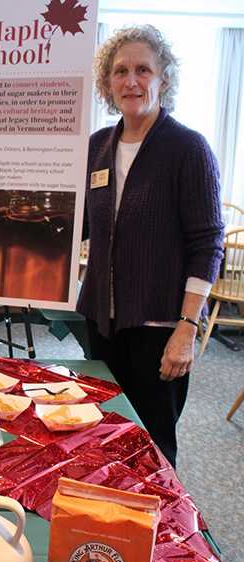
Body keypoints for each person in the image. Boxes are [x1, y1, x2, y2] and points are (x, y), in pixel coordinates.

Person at [77, 25, 224, 468]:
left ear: (164, 80)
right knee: (104, 433)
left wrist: (187, 327)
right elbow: (81, 226)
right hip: (102, 322)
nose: (131, 80)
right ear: (108, 83)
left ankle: (160, 533)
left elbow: (208, 243)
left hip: (161, 328)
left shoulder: (187, 148)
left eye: (144, 69)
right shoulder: (97, 146)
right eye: (120, 71)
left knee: (154, 446)